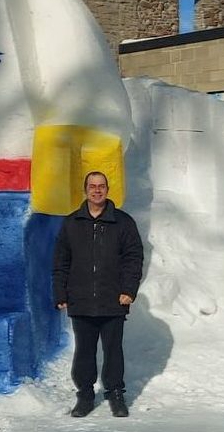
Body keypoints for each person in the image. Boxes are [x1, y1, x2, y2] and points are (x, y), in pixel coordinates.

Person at [53, 171, 144, 417]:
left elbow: (133, 259)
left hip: (113, 299)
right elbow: (61, 260)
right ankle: (85, 395)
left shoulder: (123, 222)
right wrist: (60, 292)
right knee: (84, 351)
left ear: (107, 189)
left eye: (101, 186)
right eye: (92, 186)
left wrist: (128, 290)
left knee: (113, 350)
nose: (97, 190)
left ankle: (115, 394)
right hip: (80, 299)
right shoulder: (72, 223)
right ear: (85, 190)